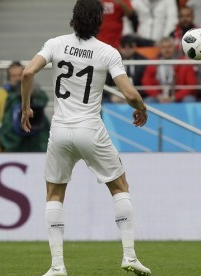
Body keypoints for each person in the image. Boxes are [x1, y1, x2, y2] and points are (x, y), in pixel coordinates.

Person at [19, 1, 151, 275]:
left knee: (54, 194)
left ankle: (57, 266)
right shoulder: (107, 52)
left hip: (60, 130)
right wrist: (141, 108)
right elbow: (129, 94)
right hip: (90, 128)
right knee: (119, 186)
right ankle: (129, 256)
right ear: (99, 22)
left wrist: (25, 107)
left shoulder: (55, 44)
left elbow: (28, 72)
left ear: (73, 19)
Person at [0, 61, 50, 152]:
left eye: (20, 75)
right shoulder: (0, 94)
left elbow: (42, 102)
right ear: (9, 78)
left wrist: (29, 92)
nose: (17, 78)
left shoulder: (35, 92)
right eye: (13, 76)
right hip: (9, 143)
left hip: (36, 142)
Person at [141, 37, 198, 103]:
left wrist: (175, 97)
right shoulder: (153, 63)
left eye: (169, 47)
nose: (166, 50)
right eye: (163, 47)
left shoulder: (184, 62)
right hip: (159, 96)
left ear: (174, 48)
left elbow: (191, 85)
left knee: (189, 100)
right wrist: (158, 95)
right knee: (148, 101)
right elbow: (146, 83)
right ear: (159, 49)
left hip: (179, 95)